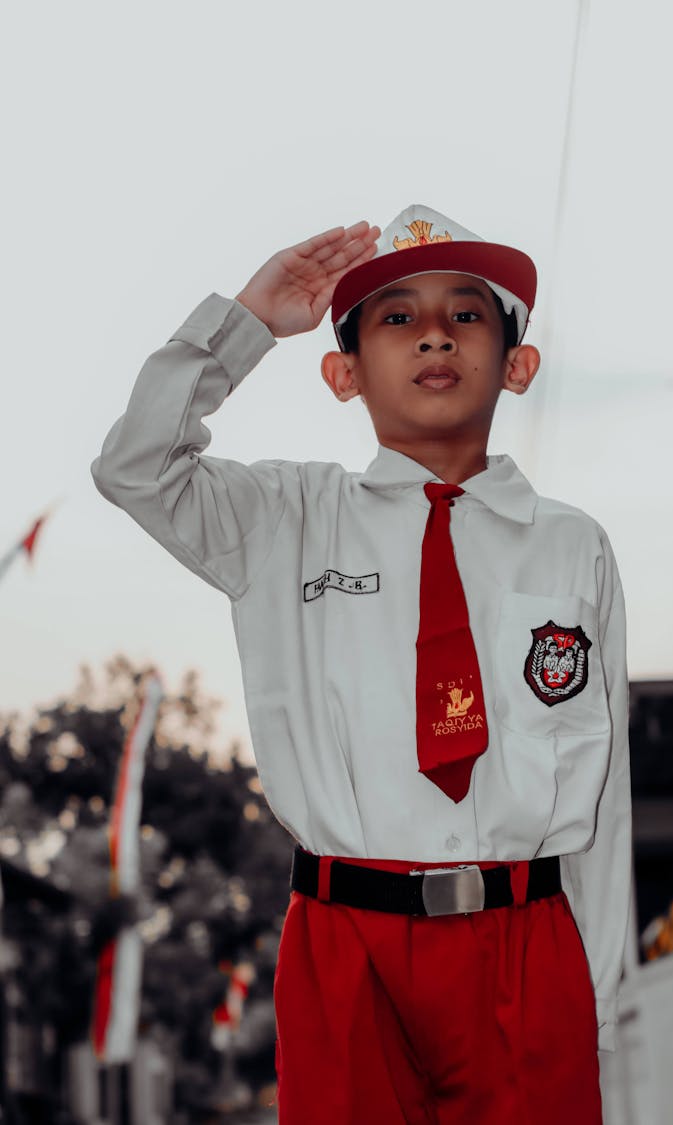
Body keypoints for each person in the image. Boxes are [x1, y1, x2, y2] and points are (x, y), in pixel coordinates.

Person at [92, 204, 632, 1124]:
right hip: (347, 944)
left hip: (524, 938)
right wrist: (249, 324)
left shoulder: (571, 547)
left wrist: (600, 995)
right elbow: (136, 467)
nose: (434, 334)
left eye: (467, 314)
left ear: (517, 362)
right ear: (343, 373)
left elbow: (607, 789)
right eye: (395, 317)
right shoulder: (284, 519)